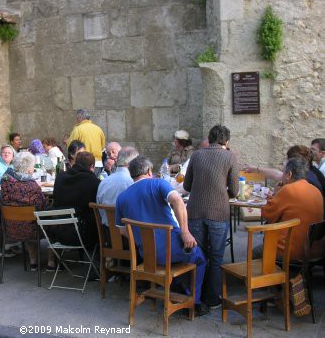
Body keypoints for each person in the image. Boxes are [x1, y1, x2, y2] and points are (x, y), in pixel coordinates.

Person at [115, 156, 208, 316]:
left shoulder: (122, 197)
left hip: (147, 255)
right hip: (172, 249)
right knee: (199, 256)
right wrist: (185, 232)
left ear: (132, 174)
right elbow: (178, 200)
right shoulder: (158, 183)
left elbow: (122, 231)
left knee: (183, 254)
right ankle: (195, 302)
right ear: (149, 171)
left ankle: (178, 288)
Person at [183, 124, 239, 310]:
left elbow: (187, 185)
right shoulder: (230, 156)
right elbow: (235, 189)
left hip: (195, 210)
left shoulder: (197, 155)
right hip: (218, 212)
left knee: (198, 254)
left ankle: (195, 297)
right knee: (215, 256)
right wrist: (223, 194)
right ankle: (213, 298)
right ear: (227, 141)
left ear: (210, 138)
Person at [253, 158, 323, 260]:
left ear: (289, 174)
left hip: (288, 251)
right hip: (313, 251)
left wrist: (275, 194)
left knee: (254, 253)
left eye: (283, 173)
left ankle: (266, 275)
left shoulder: (288, 190)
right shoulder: (316, 190)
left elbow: (267, 214)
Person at [50, 152, 101, 268]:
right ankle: (96, 268)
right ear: (92, 167)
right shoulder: (93, 182)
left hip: (57, 232)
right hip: (82, 234)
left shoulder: (60, 178)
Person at [0, 152, 49, 271]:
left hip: (11, 228)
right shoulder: (33, 186)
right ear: (29, 169)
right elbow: (42, 206)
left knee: (27, 219)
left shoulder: (5, 181)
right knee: (50, 219)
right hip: (33, 229)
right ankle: (51, 262)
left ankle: (33, 262)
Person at [244, 145, 324, 197]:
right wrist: (255, 169)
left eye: (287, 159)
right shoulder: (309, 172)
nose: (284, 162)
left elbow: (270, 212)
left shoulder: (302, 180)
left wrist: (275, 194)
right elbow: (277, 174)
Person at [96, 146, 139, 233]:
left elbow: (100, 209)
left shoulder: (104, 182)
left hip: (107, 235)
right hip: (130, 237)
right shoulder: (134, 183)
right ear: (131, 163)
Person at [67, 109, 106, 174]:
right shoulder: (98, 129)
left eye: (77, 118)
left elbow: (71, 147)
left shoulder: (77, 130)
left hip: (83, 163)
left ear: (80, 118)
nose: (76, 120)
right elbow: (102, 146)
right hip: (97, 163)